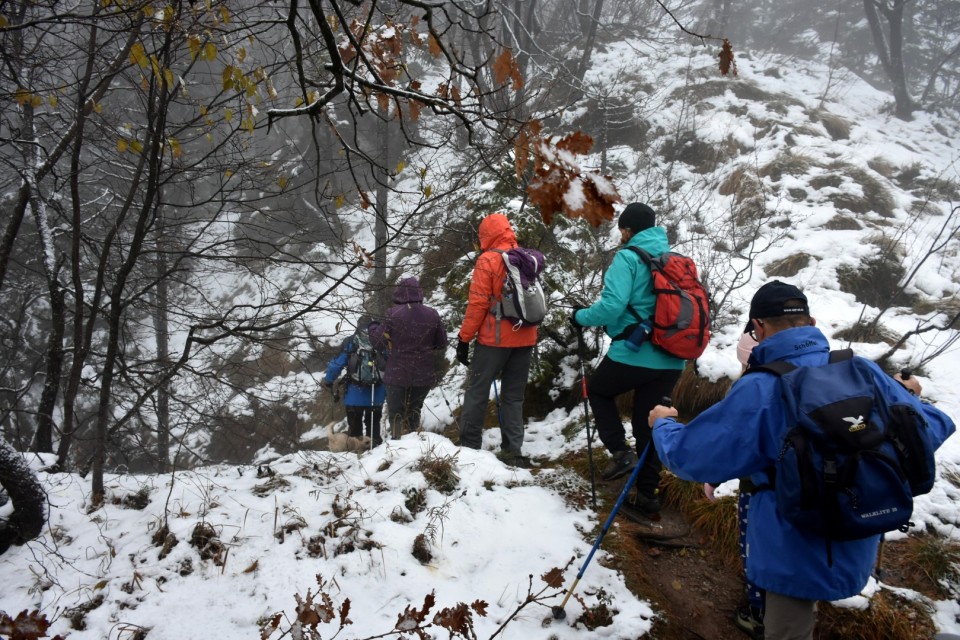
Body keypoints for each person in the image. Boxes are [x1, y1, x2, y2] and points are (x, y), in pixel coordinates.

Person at [648, 280, 956, 640]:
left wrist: (663, 425)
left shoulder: (762, 387)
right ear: (811, 321)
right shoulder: (861, 370)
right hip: (862, 522)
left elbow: (692, 458)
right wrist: (905, 397)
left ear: (758, 327)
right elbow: (932, 428)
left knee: (788, 630)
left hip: (790, 540)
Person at [570, 202, 686, 520]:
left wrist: (579, 317)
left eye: (622, 228)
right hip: (674, 357)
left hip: (636, 353)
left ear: (627, 230)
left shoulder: (629, 257)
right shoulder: (675, 260)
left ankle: (621, 454)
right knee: (649, 424)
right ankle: (647, 497)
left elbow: (611, 307)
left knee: (599, 391)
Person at [455, 212, 540, 468]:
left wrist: (464, 339)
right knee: (513, 397)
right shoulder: (526, 258)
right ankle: (513, 452)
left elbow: (478, 304)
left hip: (494, 339)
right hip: (526, 337)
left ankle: (469, 447)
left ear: (486, 235)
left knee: (477, 393)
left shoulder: (488, 260)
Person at [370, 277, 447, 438]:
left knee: (396, 413)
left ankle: (397, 444)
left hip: (397, 372)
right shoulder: (432, 314)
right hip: (423, 372)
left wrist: (373, 327)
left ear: (399, 292)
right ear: (419, 292)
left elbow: (377, 342)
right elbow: (441, 343)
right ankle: (414, 443)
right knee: (414, 411)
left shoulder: (393, 313)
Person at [324, 315, 387, 447]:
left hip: (354, 394)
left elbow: (336, 365)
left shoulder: (351, 342)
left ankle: (355, 456)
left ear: (357, 326)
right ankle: (375, 450)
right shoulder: (381, 341)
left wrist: (329, 381)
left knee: (354, 434)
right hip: (376, 393)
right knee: (373, 426)